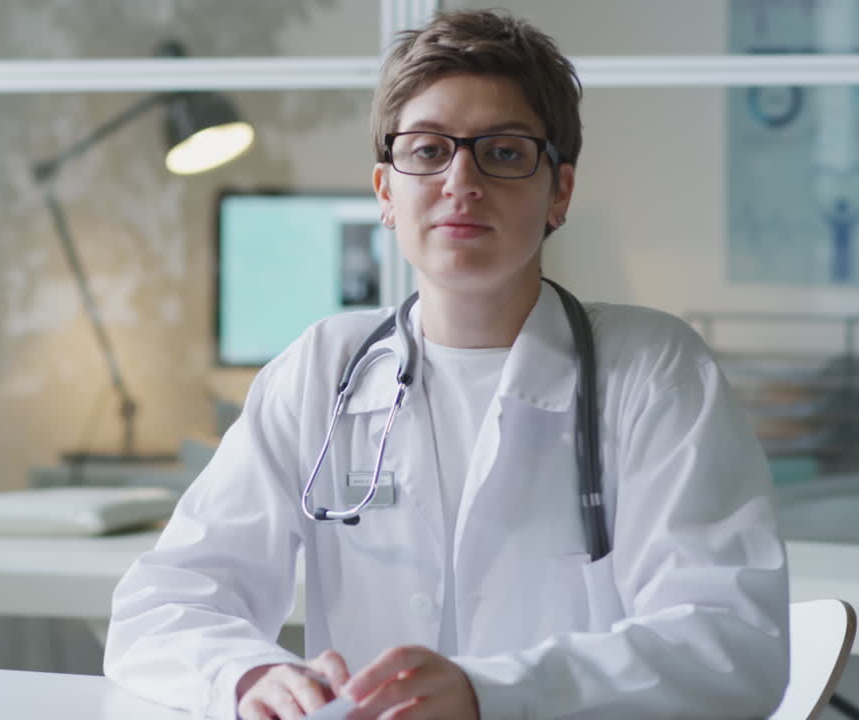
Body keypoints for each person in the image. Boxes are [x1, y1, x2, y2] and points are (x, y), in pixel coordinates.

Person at [105, 9, 789, 719]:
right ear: (385, 192)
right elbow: (163, 605)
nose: (461, 180)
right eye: (428, 150)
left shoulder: (651, 372)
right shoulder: (320, 371)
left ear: (559, 191)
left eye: (504, 152)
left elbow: (732, 644)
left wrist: (490, 694)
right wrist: (248, 676)